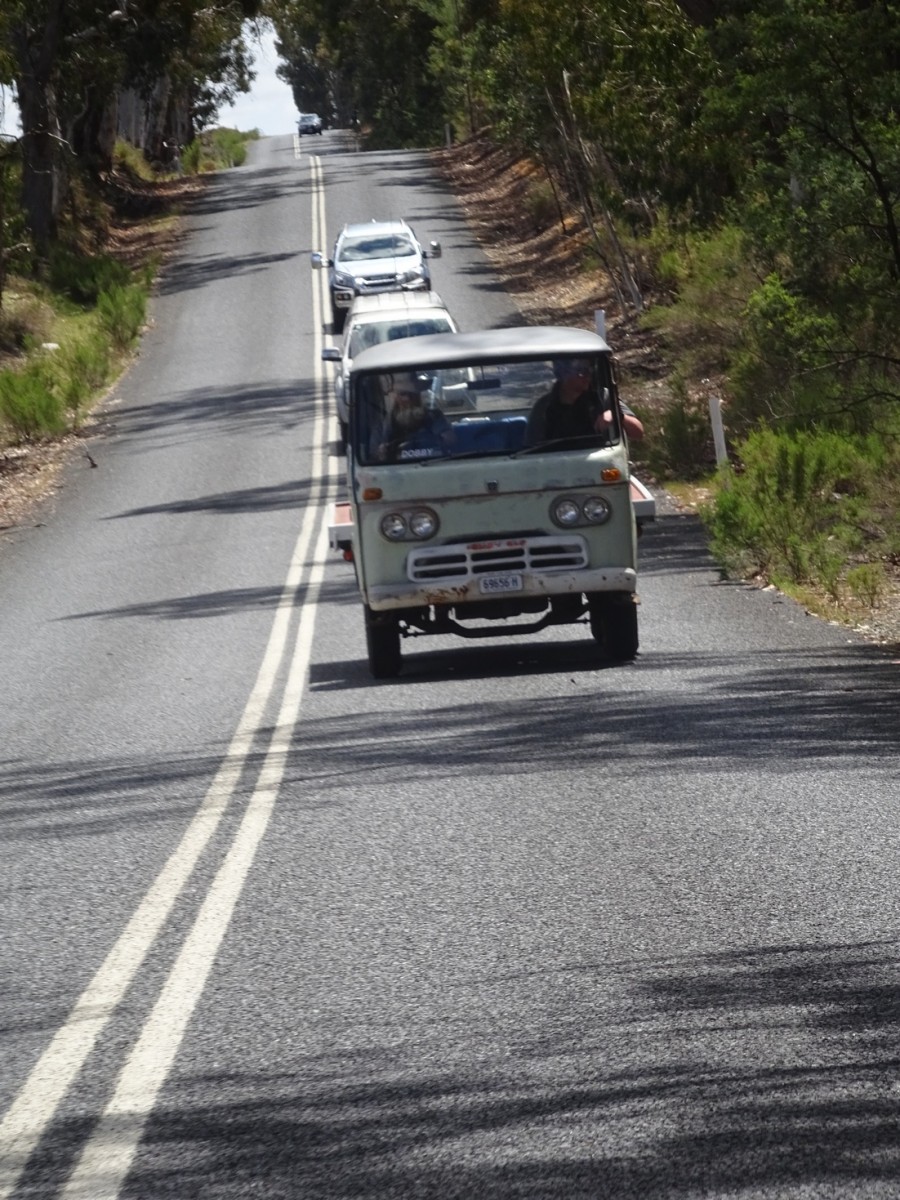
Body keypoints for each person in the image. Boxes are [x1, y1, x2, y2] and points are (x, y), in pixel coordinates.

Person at [527, 358, 644, 445]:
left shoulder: (602, 397)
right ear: (563, 374)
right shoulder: (543, 407)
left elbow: (638, 433)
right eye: (581, 372)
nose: (588, 376)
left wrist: (616, 415)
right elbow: (531, 448)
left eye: (589, 370)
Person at [374, 371, 453, 462]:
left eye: (413, 394)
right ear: (396, 397)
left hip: (435, 463)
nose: (408, 398)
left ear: (419, 395)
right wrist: (383, 450)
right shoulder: (389, 420)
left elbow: (450, 440)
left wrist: (439, 438)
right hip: (400, 466)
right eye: (403, 394)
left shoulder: (434, 415)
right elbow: (380, 450)